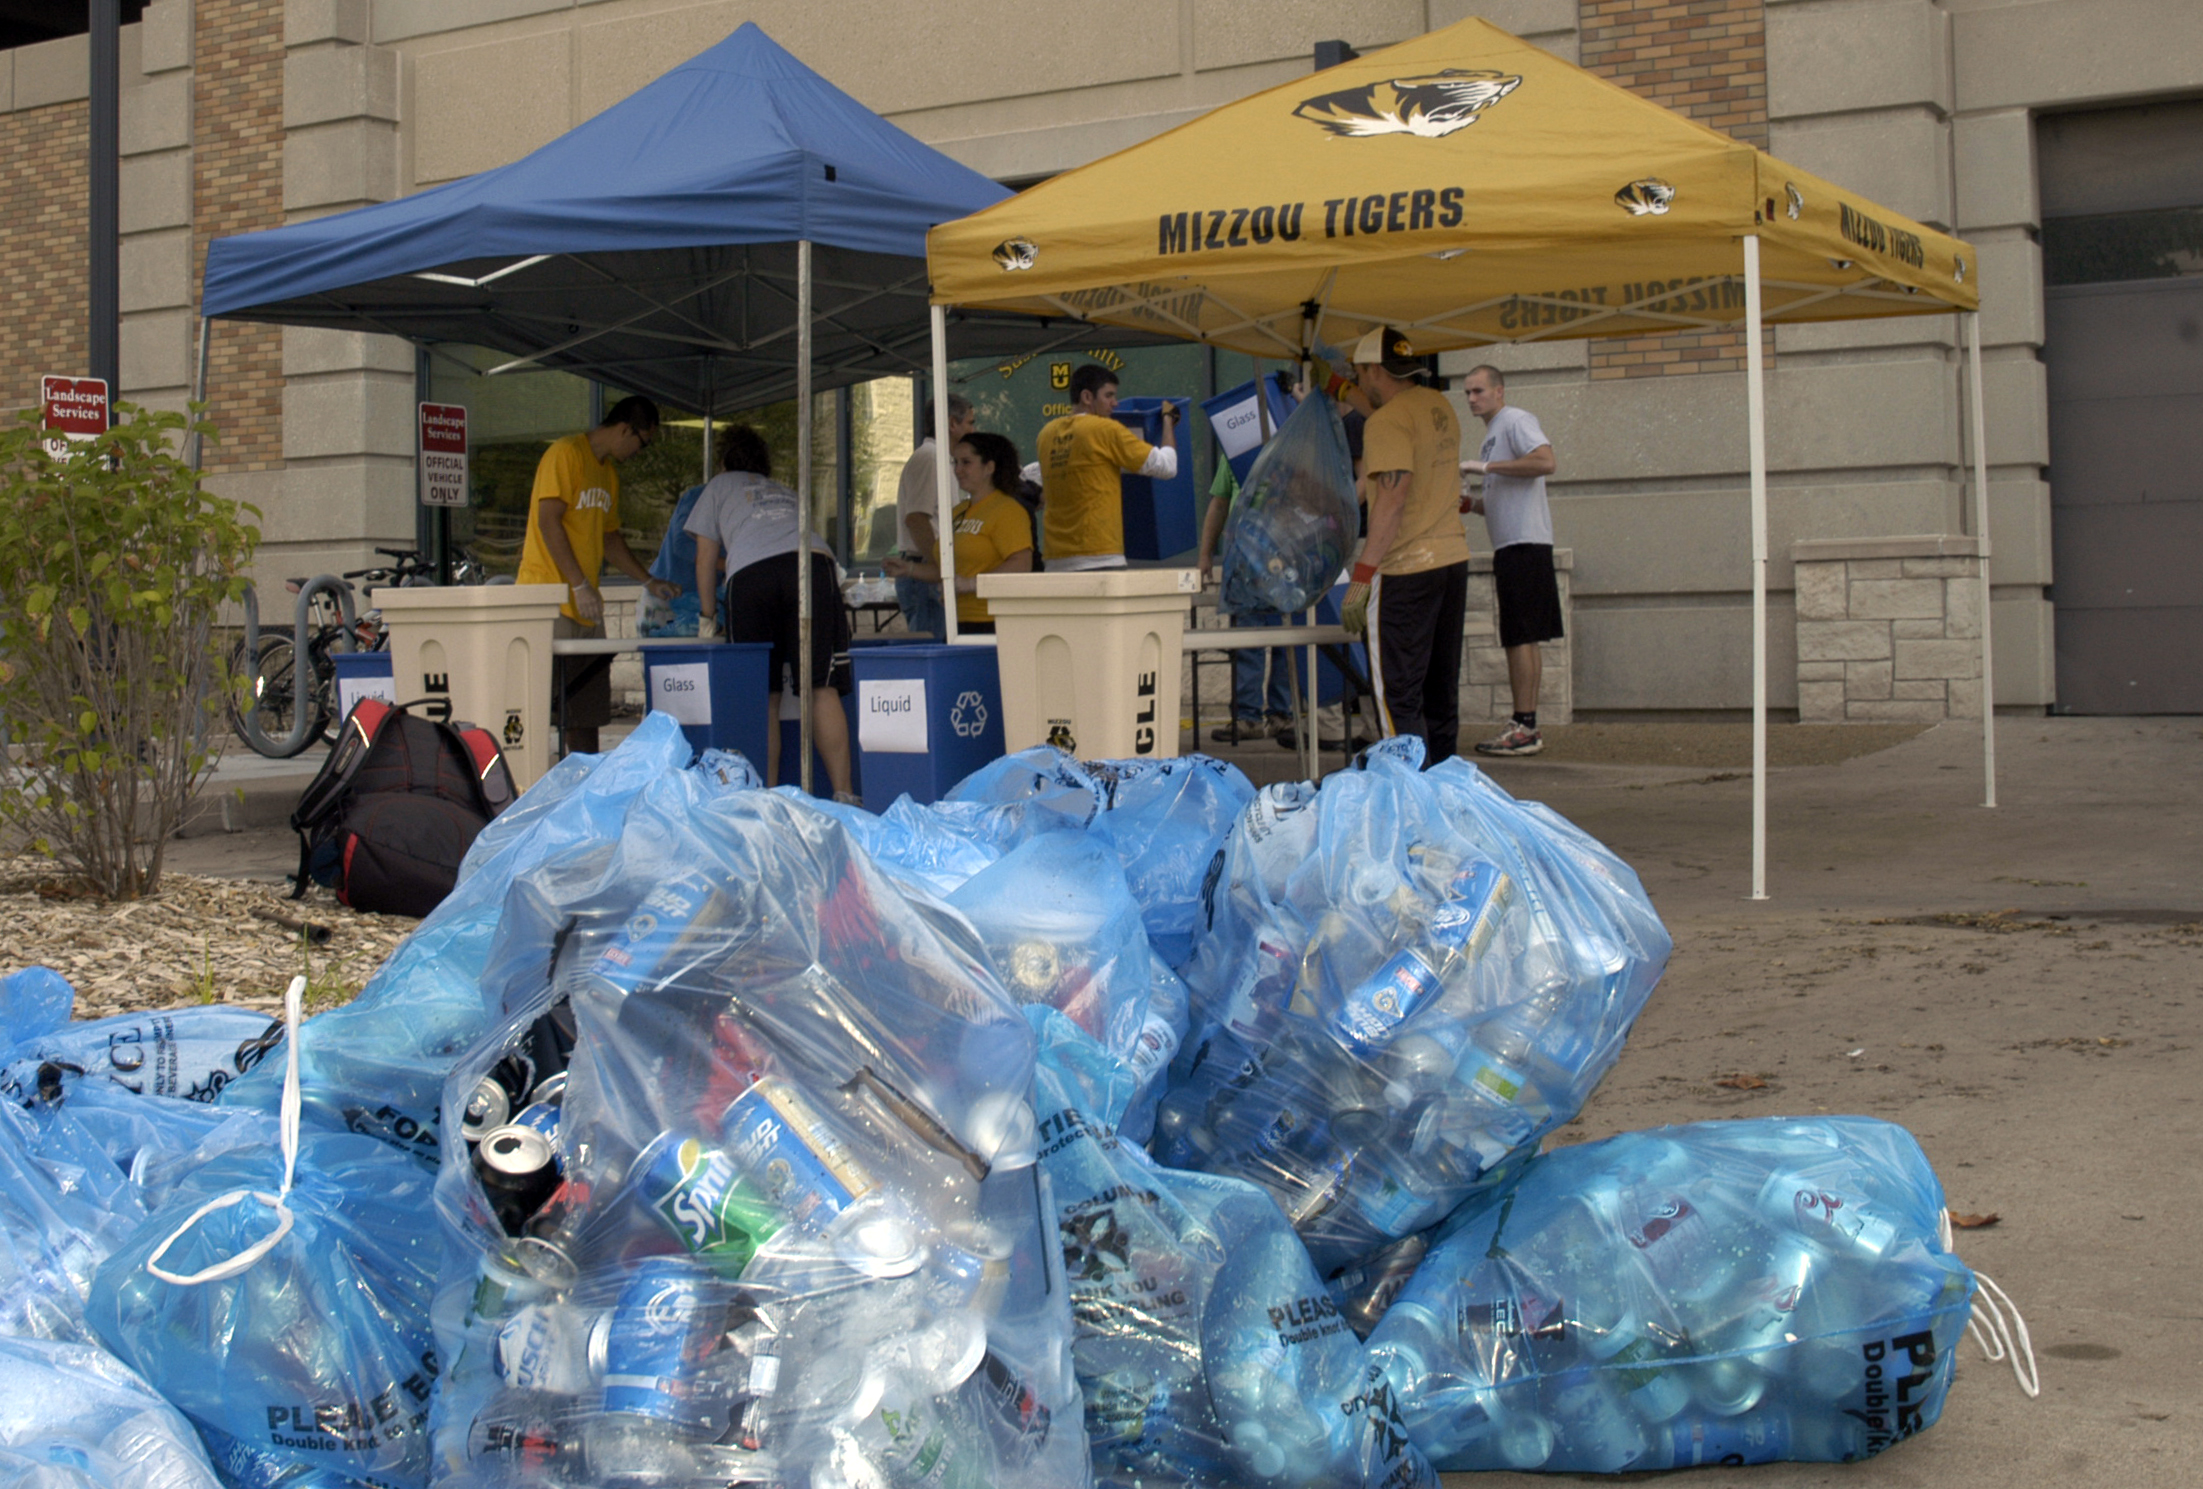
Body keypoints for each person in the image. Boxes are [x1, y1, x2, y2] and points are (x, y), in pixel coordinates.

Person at [688, 425, 856, 801]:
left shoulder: (717, 486)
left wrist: (707, 617)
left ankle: (767, 798)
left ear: (723, 461)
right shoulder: (783, 490)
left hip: (752, 574)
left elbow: (704, 560)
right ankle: (845, 795)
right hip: (813, 566)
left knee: (763, 695)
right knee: (821, 687)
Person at [515, 395, 681, 755]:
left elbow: (610, 538)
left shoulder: (607, 475)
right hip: (548, 598)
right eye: (643, 442)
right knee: (537, 707)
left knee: (587, 710)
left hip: (585, 605)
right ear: (625, 429)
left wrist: (648, 580)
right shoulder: (566, 454)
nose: (641, 451)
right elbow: (548, 521)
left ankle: (583, 784)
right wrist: (578, 583)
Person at [1338, 326, 1469, 766]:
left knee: (1398, 696)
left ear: (1375, 368)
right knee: (1439, 690)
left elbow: (1391, 499)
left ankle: (1413, 801)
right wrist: (1339, 387)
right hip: (1451, 561)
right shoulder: (1437, 405)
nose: (1358, 382)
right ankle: (1448, 791)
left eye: (1359, 373)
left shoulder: (1386, 423)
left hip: (1405, 571)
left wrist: (1362, 574)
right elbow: (1385, 410)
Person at [1460, 364, 1561, 758]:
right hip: (1510, 543)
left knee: (1520, 636)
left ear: (1499, 391)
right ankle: (1525, 723)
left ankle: (1525, 725)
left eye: (1479, 391)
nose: (1472, 398)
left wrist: (1485, 467)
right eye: (1468, 392)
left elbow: (1545, 462)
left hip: (1525, 542)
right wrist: (1470, 504)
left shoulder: (1515, 420)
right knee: (1520, 635)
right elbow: (1503, 495)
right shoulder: (1492, 434)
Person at [881, 431, 1034, 635]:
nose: (958, 470)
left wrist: (972, 584)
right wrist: (908, 569)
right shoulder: (958, 512)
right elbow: (946, 570)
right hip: (955, 620)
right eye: (955, 462)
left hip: (993, 621)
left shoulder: (1007, 510)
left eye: (966, 462)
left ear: (989, 467)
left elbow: (1021, 564)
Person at [1035, 363, 1179, 569]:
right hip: (1099, 556)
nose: (1115, 403)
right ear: (1087, 397)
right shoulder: (1105, 429)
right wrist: (1168, 421)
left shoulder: (1046, 434)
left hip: (1055, 558)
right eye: (1109, 396)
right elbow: (1167, 466)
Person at [1196, 460, 1292, 743]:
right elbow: (1219, 503)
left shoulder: (1293, 447)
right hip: (1243, 561)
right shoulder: (1230, 453)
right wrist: (1205, 554)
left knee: (1285, 643)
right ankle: (1247, 716)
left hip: (1282, 558)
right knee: (1247, 642)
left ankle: (1281, 714)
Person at [892, 395, 975, 637]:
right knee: (933, 651)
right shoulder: (929, 457)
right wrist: (940, 567)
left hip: (927, 573)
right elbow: (916, 518)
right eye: (970, 422)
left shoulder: (942, 459)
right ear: (952, 424)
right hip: (924, 576)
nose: (973, 429)